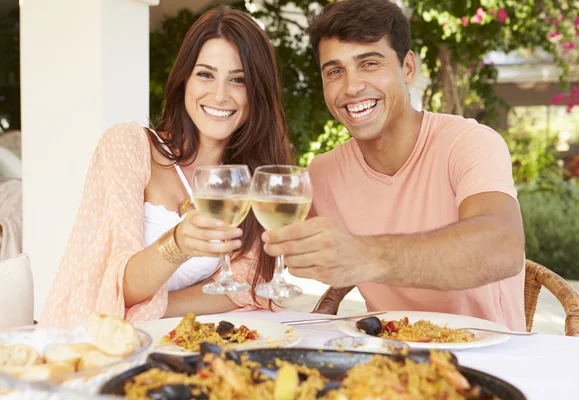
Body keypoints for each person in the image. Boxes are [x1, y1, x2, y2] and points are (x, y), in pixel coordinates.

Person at [262, 0, 526, 330]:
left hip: (490, 359)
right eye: (334, 71)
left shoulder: (469, 143)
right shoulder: (323, 174)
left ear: (408, 68)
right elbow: (265, 255)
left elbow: (503, 246)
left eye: (369, 63)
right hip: (387, 360)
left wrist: (365, 256)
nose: (351, 87)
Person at [40, 6, 291, 328]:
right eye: (205, 74)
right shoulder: (128, 146)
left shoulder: (253, 175)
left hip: (177, 342)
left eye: (239, 80)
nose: (220, 95)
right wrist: (177, 243)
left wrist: (150, 310)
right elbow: (116, 284)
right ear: (184, 79)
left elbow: (243, 285)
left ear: (257, 92)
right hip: (101, 346)